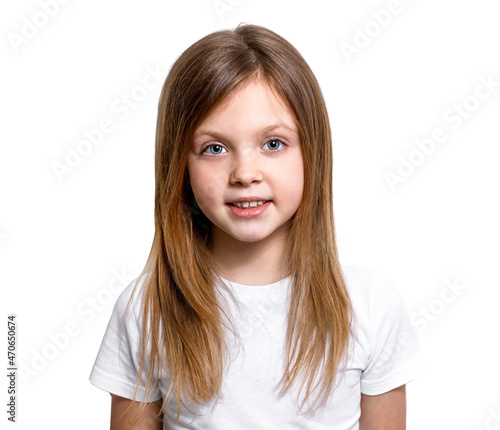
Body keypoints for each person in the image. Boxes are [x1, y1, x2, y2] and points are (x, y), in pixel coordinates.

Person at [89, 23, 423, 429]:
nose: (245, 173)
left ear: (311, 152)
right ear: (180, 166)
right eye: (214, 148)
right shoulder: (147, 310)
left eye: (273, 144)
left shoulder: (370, 306)